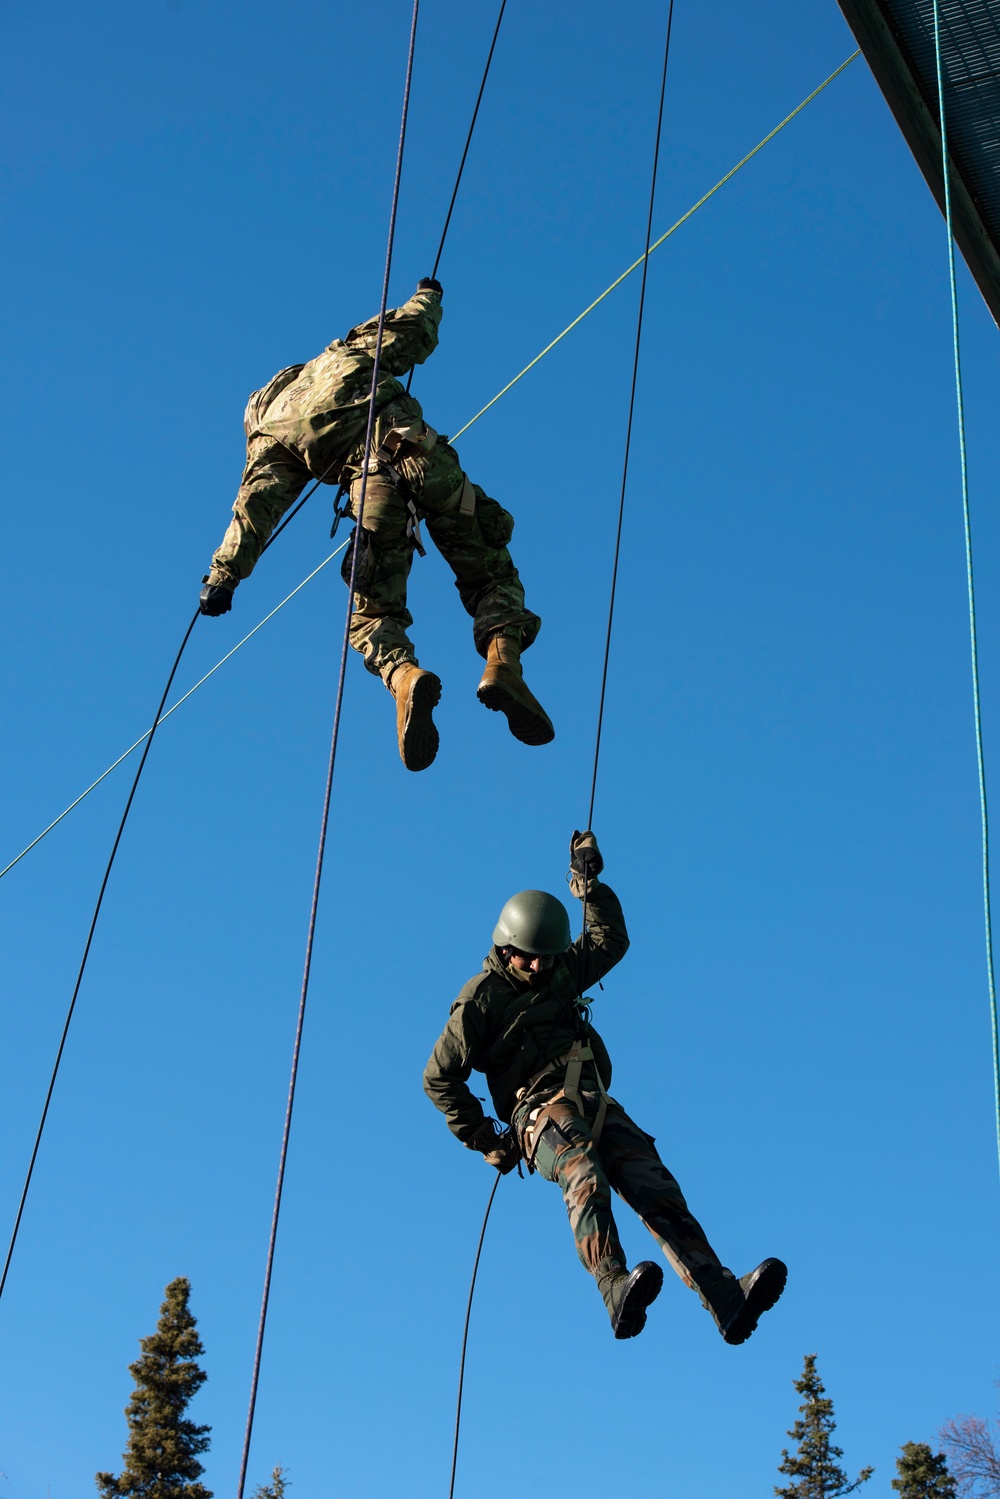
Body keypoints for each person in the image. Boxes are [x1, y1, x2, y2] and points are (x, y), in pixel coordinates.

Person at [423, 831, 787, 1341]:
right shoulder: (479, 1001)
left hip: (591, 1098)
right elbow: (439, 1078)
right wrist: (488, 1139)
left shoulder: (558, 971)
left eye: (546, 956)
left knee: (654, 1185)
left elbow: (608, 940)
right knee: (582, 1168)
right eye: (528, 956)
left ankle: (723, 1294)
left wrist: (589, 884)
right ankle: (613, 1285)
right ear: (506, 947)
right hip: (537, 1113)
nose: (539, 966)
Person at [198, 278, 553, 771]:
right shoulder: (338, 357)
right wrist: (429, 295)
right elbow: (411, 330)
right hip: (426, 461)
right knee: (490, 575)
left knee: (372, 614)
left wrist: (223, 578)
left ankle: (404, 676)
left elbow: (254, 511)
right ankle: (503, 663)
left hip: (374, 494)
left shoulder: (269, 433)